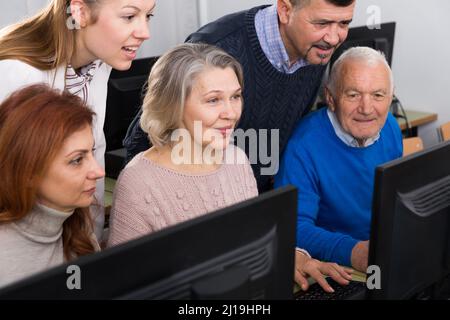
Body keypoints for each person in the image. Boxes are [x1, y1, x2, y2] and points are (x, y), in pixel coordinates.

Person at [107, 42, 352, 293]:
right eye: (213, 100)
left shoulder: (236, 159)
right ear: (173, 105)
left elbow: (251, 244)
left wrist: (294, 255)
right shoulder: (139, 181)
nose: (231, 113)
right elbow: (125, 290)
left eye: (235, 97)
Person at [123, 0, 356, 193]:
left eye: (344, 23)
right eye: (322, 23)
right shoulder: (216, 47)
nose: (334, 38)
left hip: (255, 199)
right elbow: (140, 142)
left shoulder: (316, 49)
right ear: (285, 10)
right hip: (198, 204)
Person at [0, 0, 156, 241]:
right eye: (129, 17)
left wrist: (88, 245)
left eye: (148, 16)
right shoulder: (17, 75)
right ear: (80, 12)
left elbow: (95, 152)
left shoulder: (97, 64)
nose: (145, 32)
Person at [275, 46, 403, 272]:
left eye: (378, 95)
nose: (366, 108)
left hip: (385, 256)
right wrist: (353, 251)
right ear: (331, 99)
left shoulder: (390, 126)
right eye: (353, 95)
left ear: (390, 97)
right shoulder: (303, 146)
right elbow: (293, 228)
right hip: (336, 267)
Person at [0, 84, 105, 288]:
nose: (98, 172)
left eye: (91, 152)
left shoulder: (78, 225)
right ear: (28, 172)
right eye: (77, 160)